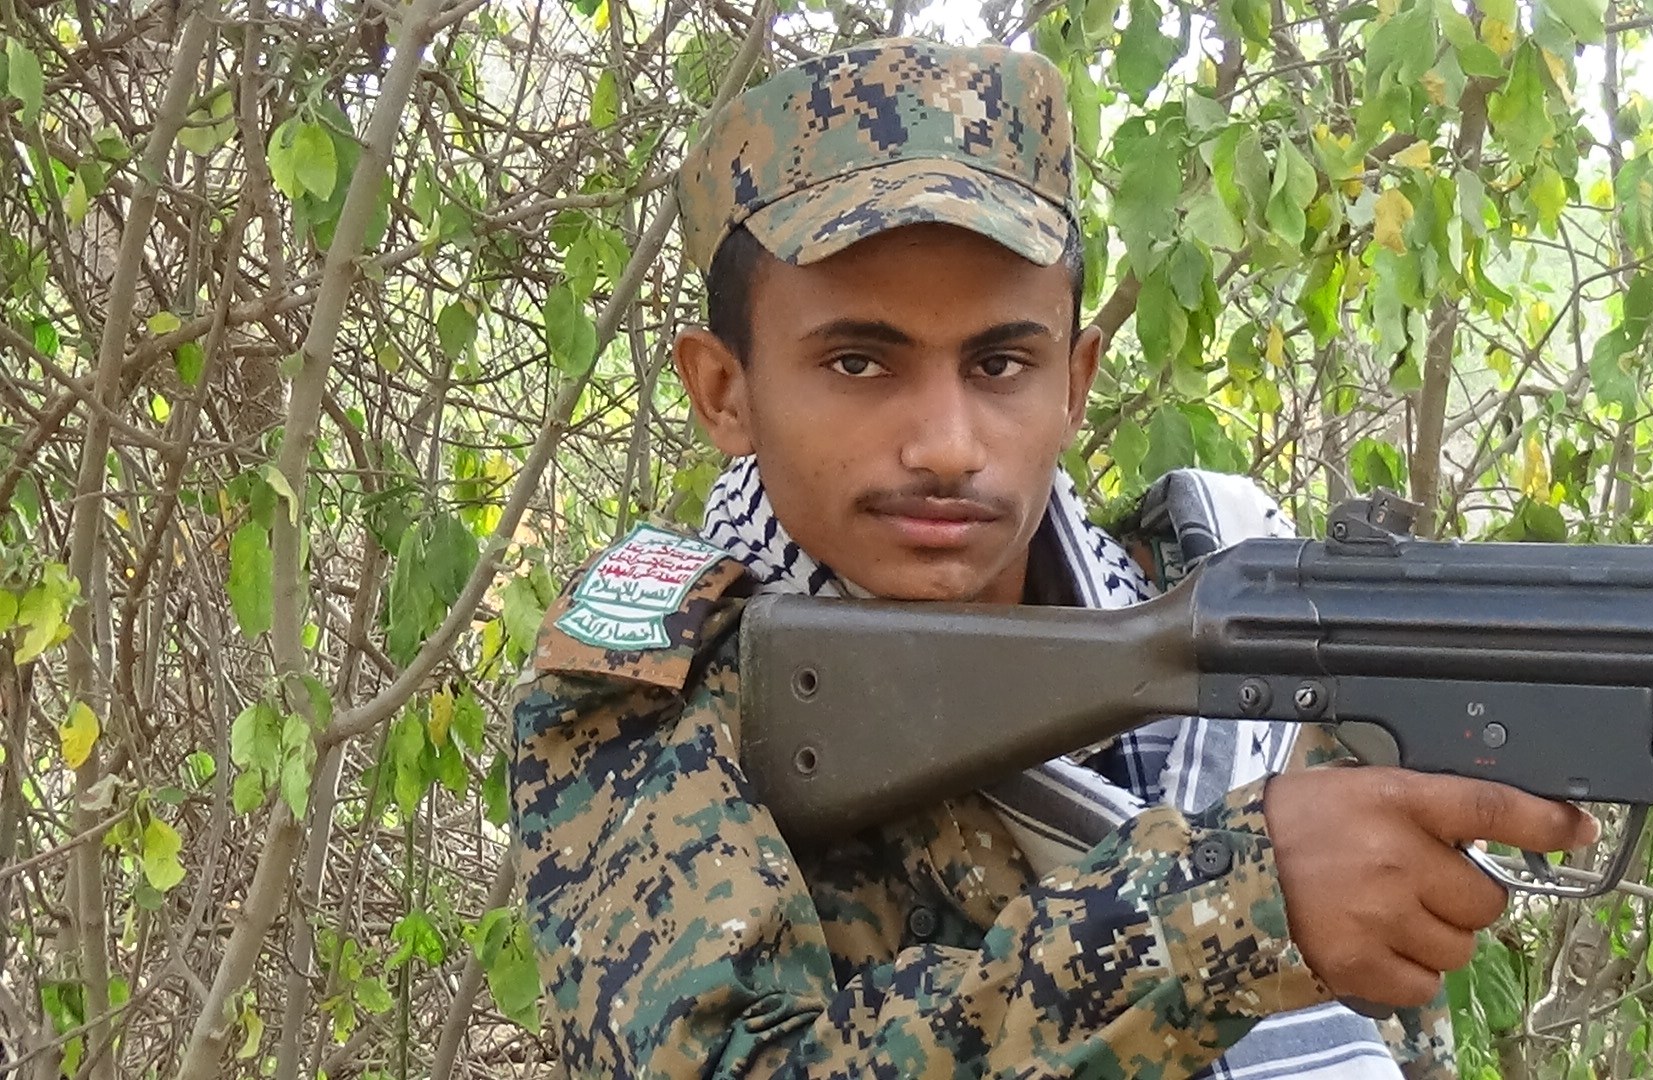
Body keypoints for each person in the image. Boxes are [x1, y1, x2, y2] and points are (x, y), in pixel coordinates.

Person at [510, 37, 1597, 1080]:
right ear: (723, 391)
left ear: (1074, 383)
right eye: (858, 363)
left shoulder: (1233, 601)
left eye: (999, 365)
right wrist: (1232, 905)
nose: (946, 446)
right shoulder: (659, 687)